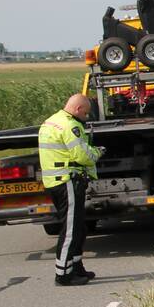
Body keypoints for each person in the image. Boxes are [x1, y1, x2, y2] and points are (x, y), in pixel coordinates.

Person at [39, 93, 103, 286]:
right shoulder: (71, 125)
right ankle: (63, 275)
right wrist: (97, 152)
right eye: (86, 113)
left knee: (79, 227)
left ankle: (76, 267)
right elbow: (82, 155)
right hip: (67, 181)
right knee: (70, 230)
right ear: (77, 109)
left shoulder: (51, 122)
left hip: (55, 181)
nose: (86, 117)